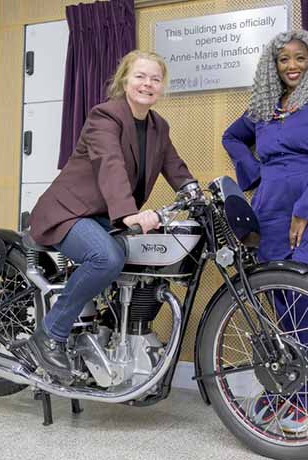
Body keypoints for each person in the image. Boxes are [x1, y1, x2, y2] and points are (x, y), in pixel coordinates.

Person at [25, 50, 194, 380]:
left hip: (102, 216)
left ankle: (107, 329)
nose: (148, 84)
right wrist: (129, 213)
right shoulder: (106, 116)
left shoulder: (159, 126)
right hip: (69, 212)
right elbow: (110, 164)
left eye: (155, 79)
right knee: (106, 258)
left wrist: (195, 192)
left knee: (142, 257)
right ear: (125, 80)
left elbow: (174, 166)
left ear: (162, 86)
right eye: (140, 77)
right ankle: (49, 335)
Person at [222, 30, 308, 433]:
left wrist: (306, 208)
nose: (292, 66)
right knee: (281, 307)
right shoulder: (265, 108)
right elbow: (232, 137)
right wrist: (255, 176)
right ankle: (284, 388)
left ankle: (306, 399)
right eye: (284, 60)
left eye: (300, 58)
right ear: (273, 66)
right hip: (272, 215)